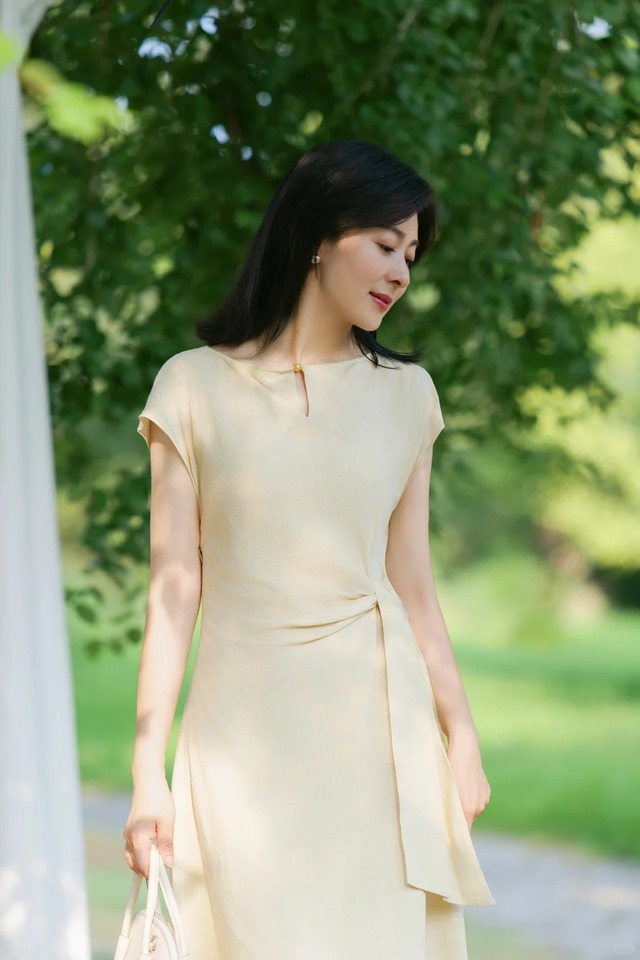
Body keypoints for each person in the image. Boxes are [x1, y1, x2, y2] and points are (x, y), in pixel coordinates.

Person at [123, 139, 495, 960]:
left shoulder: (408, 396)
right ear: (319, 235)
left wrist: (461, 733)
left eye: (411, 255)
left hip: (377, 733)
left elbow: (413, 583)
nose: (401, 271)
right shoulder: (191, 385)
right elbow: (173, 589)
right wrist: (149, 774)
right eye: (386, 244)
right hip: (239, 737)